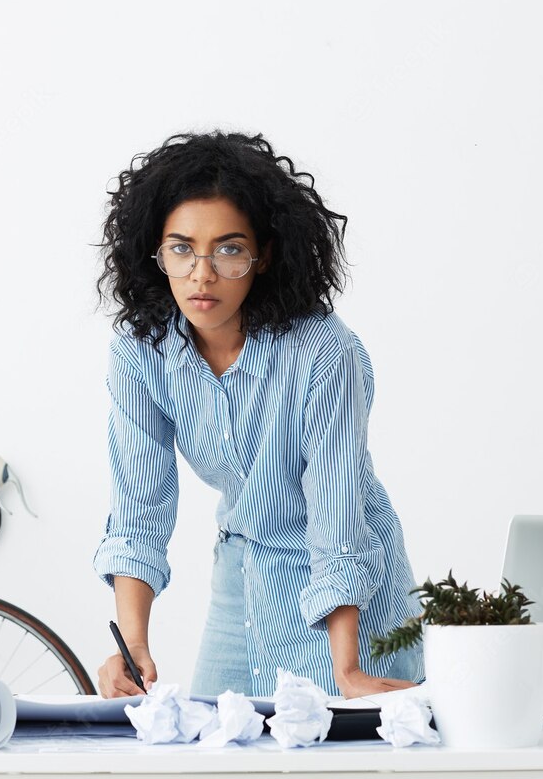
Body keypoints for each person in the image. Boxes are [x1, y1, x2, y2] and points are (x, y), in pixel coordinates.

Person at [91, 130, 423, 699]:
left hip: (348, 592)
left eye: (228, 249)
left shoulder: (324, 353)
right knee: (215, 750)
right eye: (181, 248)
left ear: (263, 254)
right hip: (240, 577)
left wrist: (347, 669)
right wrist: (135, 642)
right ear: (155, 251)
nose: (202, 274)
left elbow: (337, 517)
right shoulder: (141, 353)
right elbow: (139, 511)